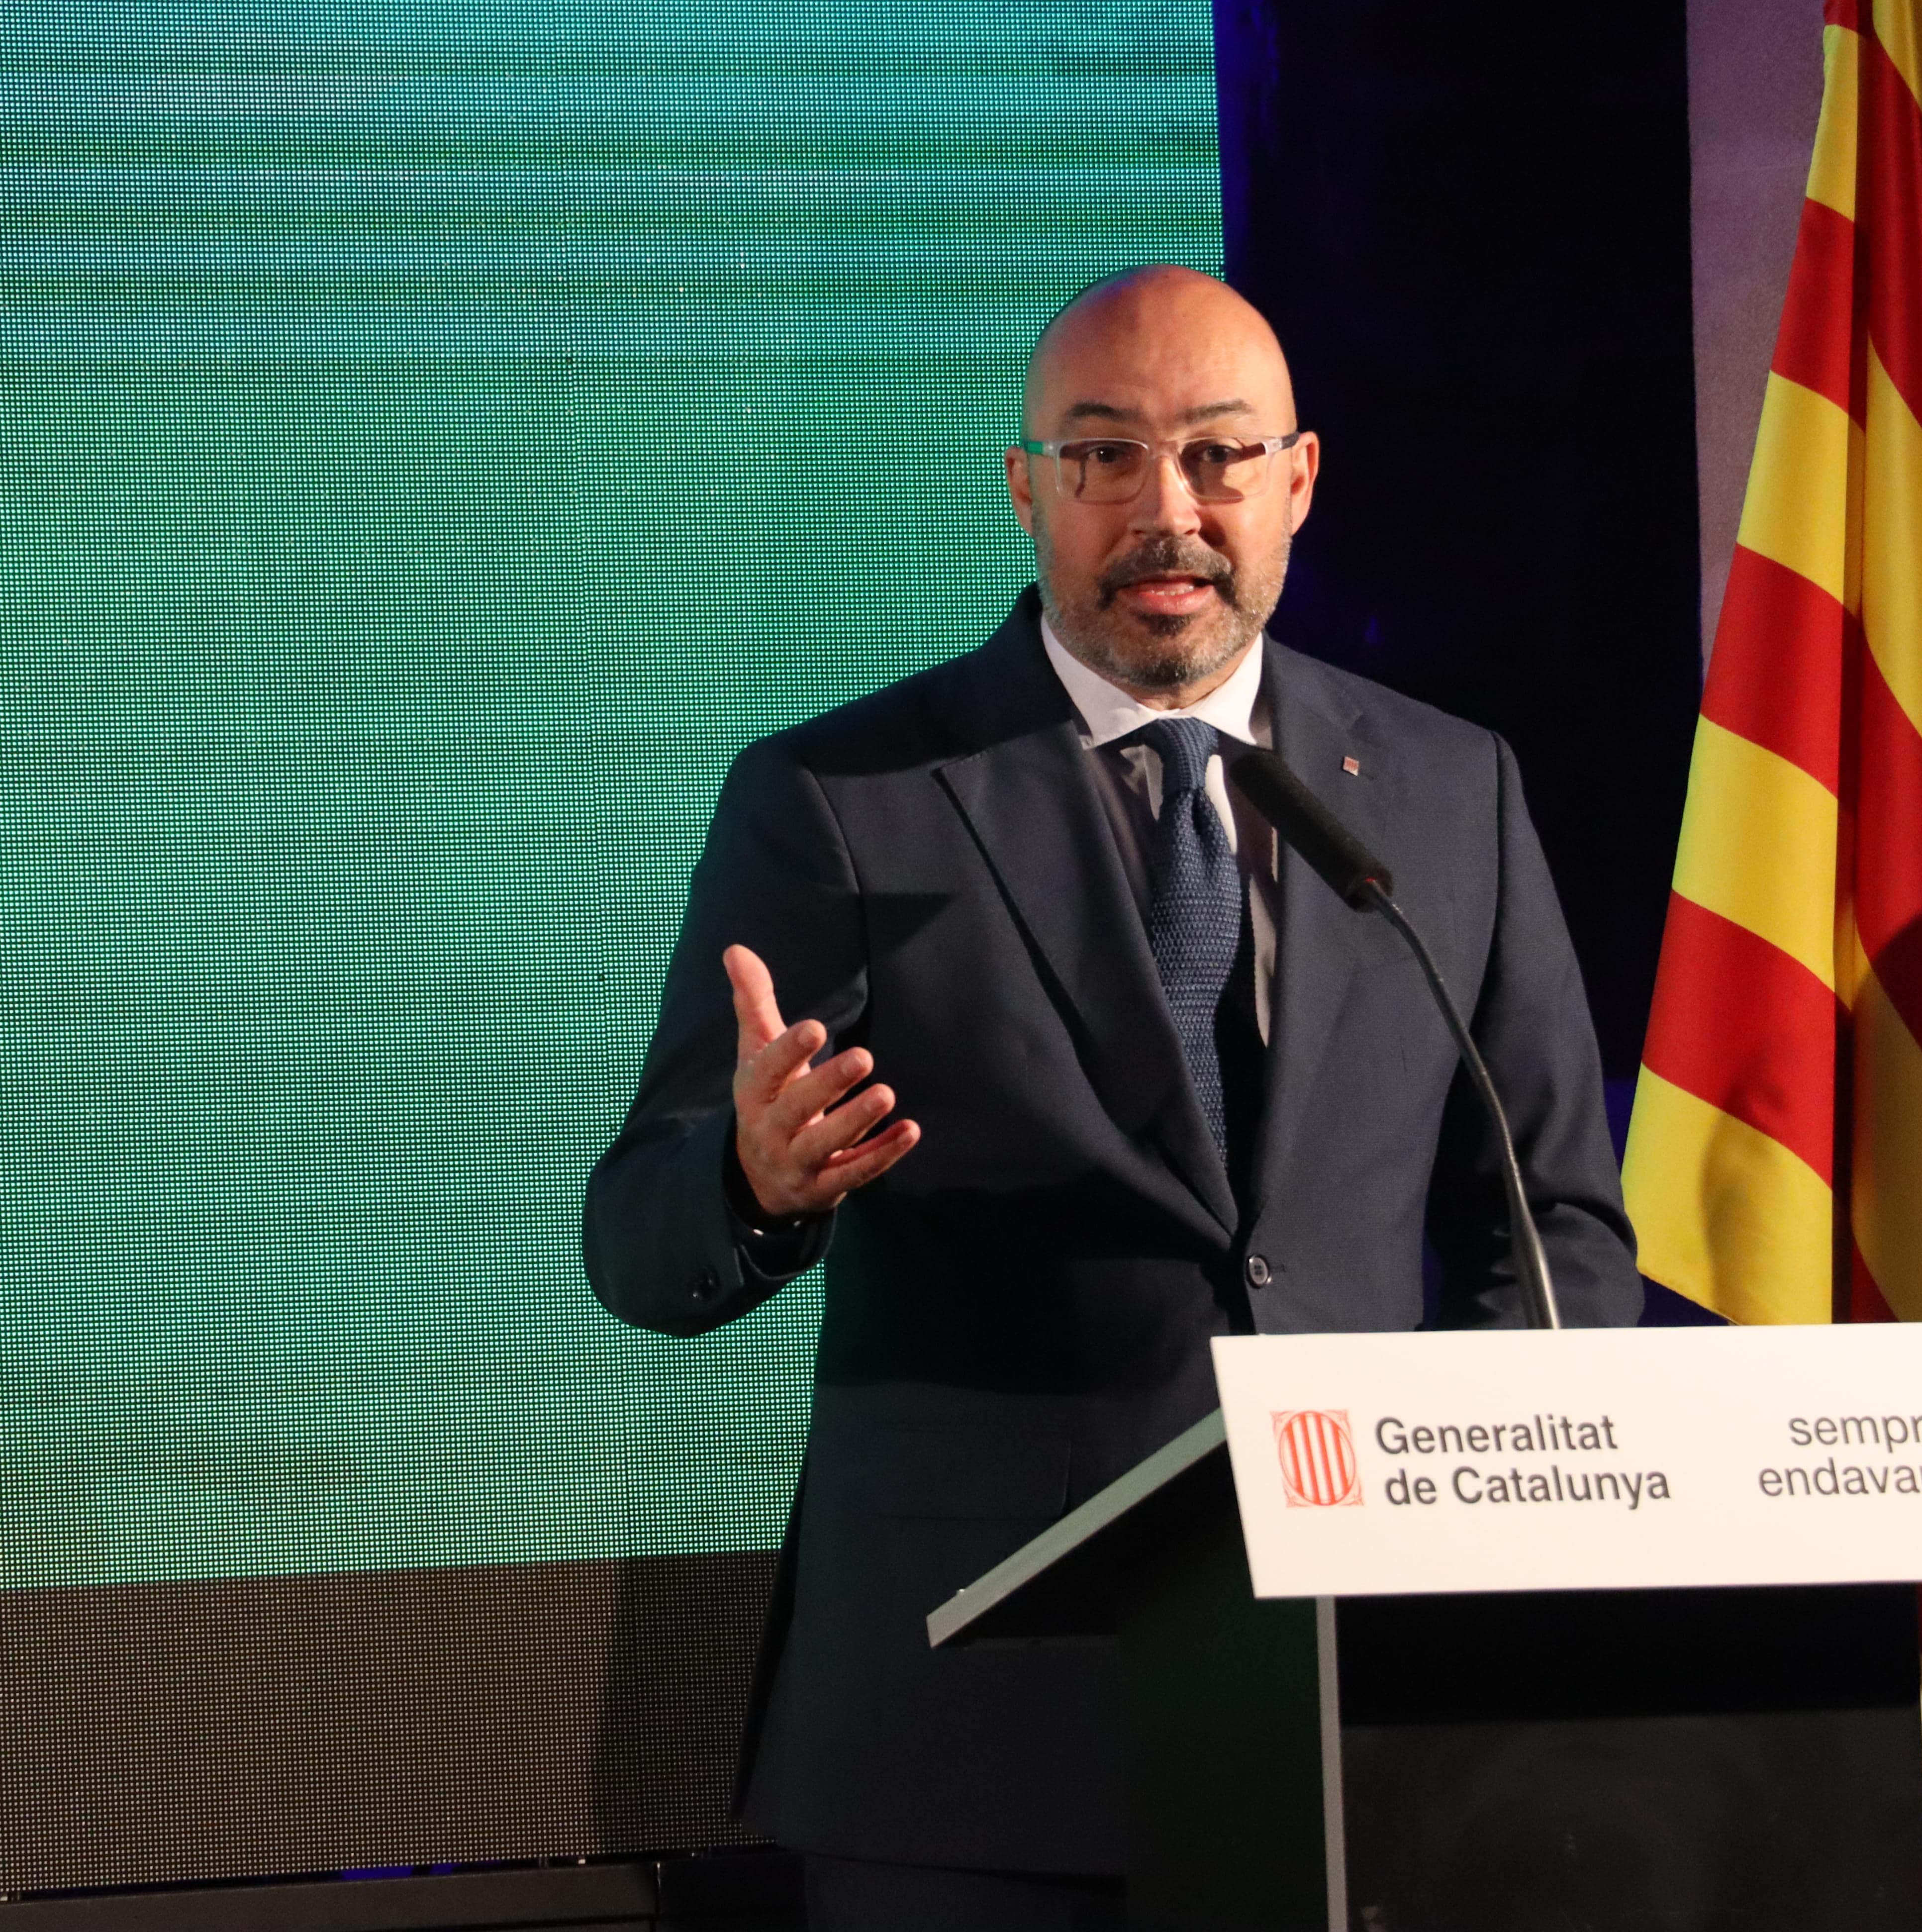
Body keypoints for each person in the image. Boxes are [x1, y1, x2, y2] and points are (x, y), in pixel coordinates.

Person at [583, 266, 1640, 1930]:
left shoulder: (1448, 788)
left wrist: (1494, 1535)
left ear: (1297, 479)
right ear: (1025, 487)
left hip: (1366, 1708)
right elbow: (637, 1239)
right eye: (1103, 458)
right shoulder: (846, 798)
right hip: (975, 1729)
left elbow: (1550, 1215)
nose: (1169, 512)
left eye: (1218, 458)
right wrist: (755, 1183)